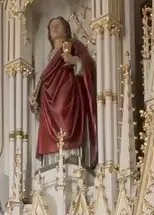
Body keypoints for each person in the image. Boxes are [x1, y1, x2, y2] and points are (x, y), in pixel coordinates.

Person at [30, 17, 97, 168]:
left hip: (67, 91)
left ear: (66, 29)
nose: (54, 28)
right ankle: (53, 161)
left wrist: (74, 60)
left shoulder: (74, 45)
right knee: (49, 128)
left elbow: (87, 63)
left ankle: (71, 158)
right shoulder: (49, 55)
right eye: (51, 26)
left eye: (58, 25)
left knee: (64, 115)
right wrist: (35, 97)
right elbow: (44, 77)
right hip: (48, 98)